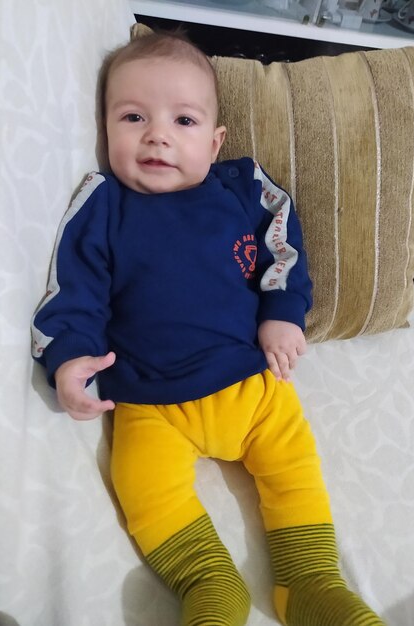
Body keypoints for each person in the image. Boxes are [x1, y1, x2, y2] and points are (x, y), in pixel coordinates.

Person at [31, 29, 384, 626]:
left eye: (184, 121)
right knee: (142, 484)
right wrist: (70, 359)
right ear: (104, 125)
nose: (158, 135)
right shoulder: (103, 205)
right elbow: (75, 290)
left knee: (293, 466)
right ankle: (208, 582)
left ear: (216, 140)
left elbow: (285, 250)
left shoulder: (243, 189)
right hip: (148, 401)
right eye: (133, 116)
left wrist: (280, 315)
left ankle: (309, 579)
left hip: (251, 384)